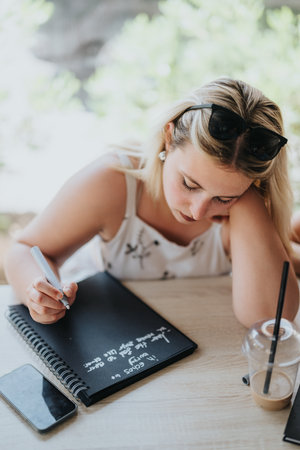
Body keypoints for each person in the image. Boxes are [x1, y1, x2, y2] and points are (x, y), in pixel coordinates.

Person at [4, 77, 300, 327]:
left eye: (224, 198)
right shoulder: (115, 182)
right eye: (189, 184)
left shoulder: (246, 206)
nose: (198, 211)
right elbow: (23, 249)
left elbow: (268, 319)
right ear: (168, 138)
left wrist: (247, 202)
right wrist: (37, 291)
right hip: (106, 329)